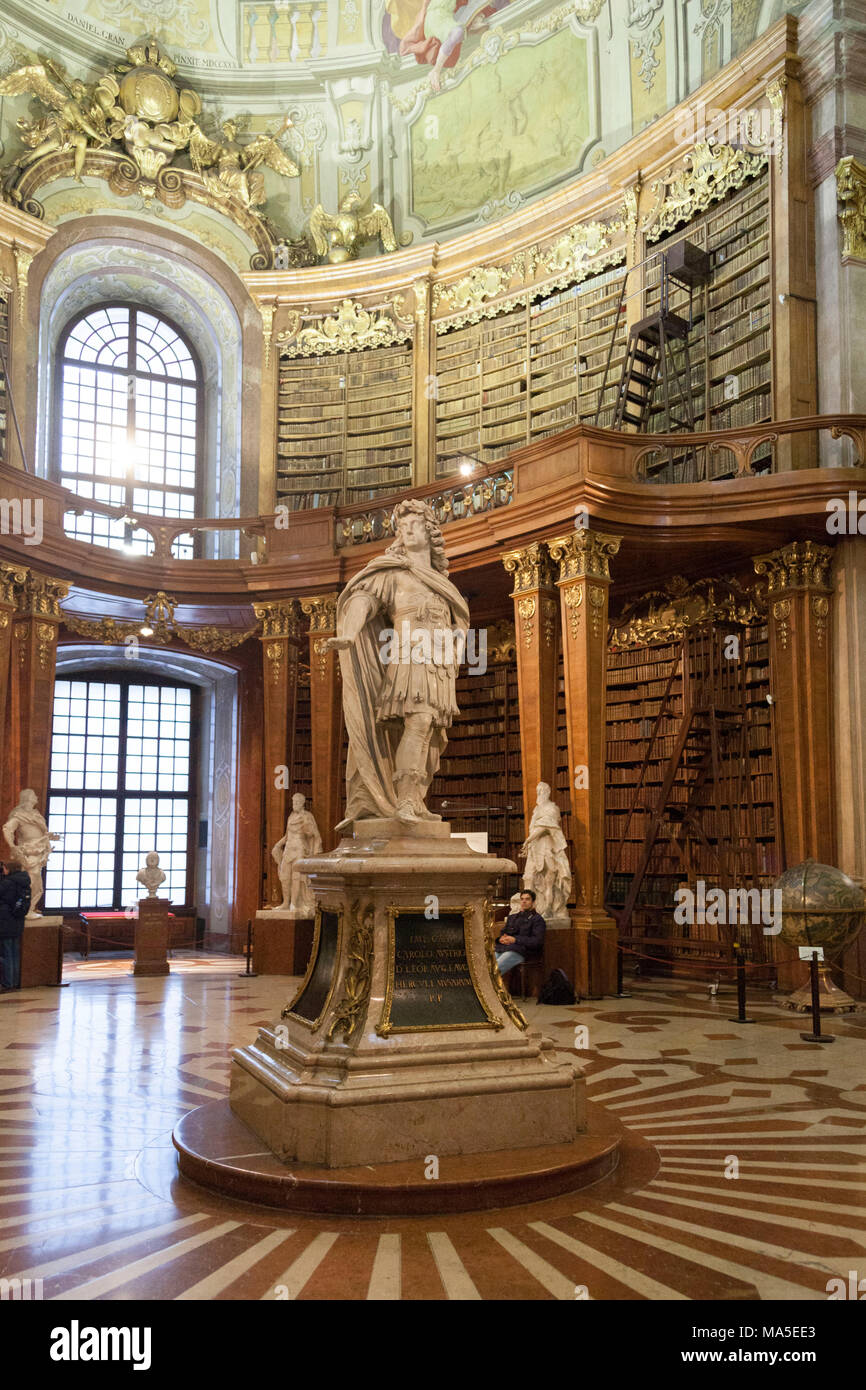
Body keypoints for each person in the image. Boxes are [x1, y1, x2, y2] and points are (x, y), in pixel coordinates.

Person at [324, 497, 469, 828]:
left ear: (430, 531)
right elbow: (362, 599)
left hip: (438, 661)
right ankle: (403, 799)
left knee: (430, 732)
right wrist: (348, 634)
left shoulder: (442, 583)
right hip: (409, 656)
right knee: (418, 722)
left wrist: (456, 647)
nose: (406, 530)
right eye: (401, 526)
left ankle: (415, 799)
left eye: (413, 523)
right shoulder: (391, 573)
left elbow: (456, 622)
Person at [495, 888, 545, 978]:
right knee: (486, 966)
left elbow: (537, 942)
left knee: (494, 970)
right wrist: (501, 939)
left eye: (527, 899)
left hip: (522, 952)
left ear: (533, 902)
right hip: (503, 948)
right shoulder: (512, 917)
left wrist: (515, 939)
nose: (524, 901)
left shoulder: (537, 920)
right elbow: (503, 933)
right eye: (522, 899)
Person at [0, 861, 31, 991]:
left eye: (4, 868)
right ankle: (14, 982)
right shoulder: (24, 882)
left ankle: (7, 984)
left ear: (8, 869)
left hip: (5, 923)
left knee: (5, 954)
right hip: (17, 922)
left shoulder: (7, 883)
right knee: (14, 953)